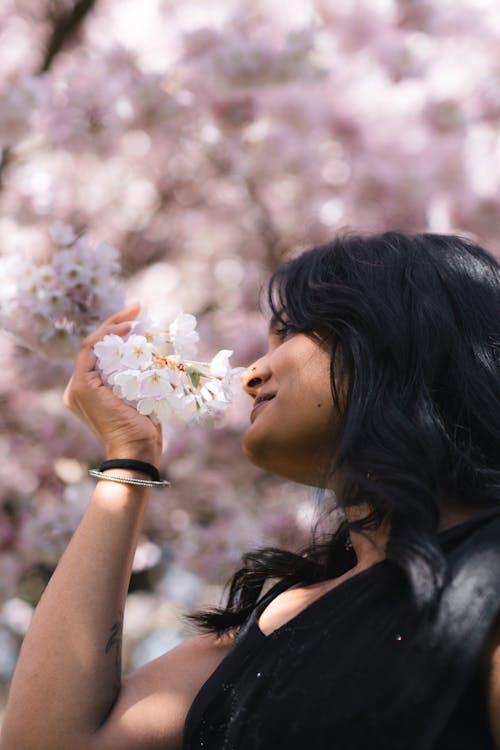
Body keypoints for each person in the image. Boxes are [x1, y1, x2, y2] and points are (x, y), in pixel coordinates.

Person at [1, 231, 499, 750]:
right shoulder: (274, 622)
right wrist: (128, 459)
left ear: (400, 334)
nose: (251, 374)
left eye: (292, 333)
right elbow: (52, 740)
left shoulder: (486, 573)